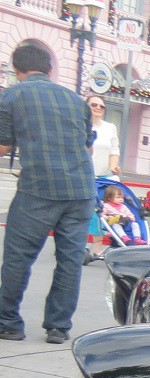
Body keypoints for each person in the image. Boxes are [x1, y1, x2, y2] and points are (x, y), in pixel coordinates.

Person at [0, 41, 96, 344]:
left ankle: (8, 322)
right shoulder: (76, 100)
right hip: (81, 189)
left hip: (39, 188)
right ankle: (58, 326)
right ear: (49, 69)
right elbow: (88, 147)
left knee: (18, 257)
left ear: (17, 70)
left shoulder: (10, 96)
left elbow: (3, 146)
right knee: (70, 260)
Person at [88, 94, 120, 178]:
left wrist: (113, 167)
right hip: (84, 176)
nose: (98, 108)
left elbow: (114, 150)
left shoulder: (110, 127)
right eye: (94, 105)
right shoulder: (80, 126)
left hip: (103, 177)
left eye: (102, 106)